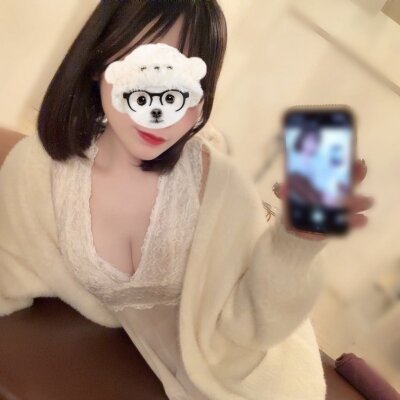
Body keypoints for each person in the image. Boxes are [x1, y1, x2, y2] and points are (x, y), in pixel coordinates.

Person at [0, 1, 374, 398]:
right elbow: (12, 269)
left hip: (267, 381)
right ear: (98, 61)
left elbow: (251, 325)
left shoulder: (219, 190)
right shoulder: (40, 173)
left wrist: (295, 245)